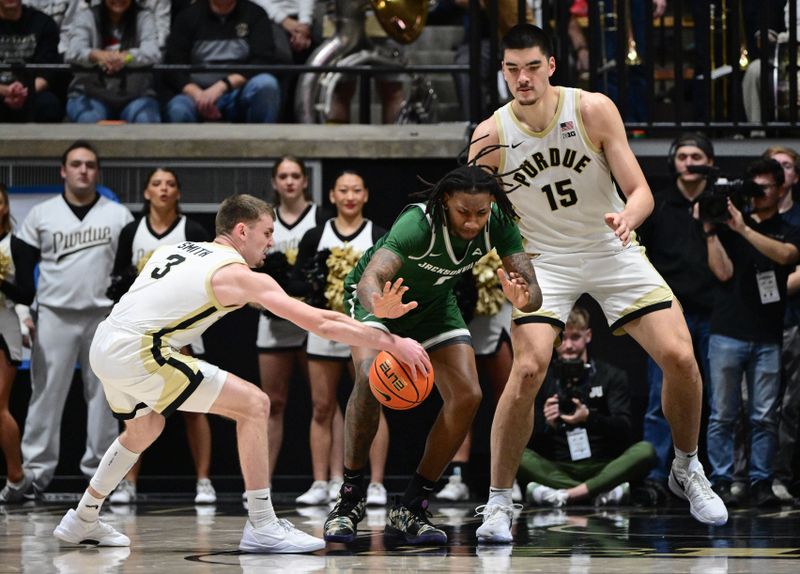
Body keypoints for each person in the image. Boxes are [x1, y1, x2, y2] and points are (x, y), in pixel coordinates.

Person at [51, 193, 430, 552]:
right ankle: (263, 525)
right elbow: (322, 323)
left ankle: (82, 517)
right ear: (242, 231)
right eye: (267, 233)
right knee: (254, 404)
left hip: (104, 343)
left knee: (144, 428)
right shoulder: (237, 275)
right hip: (138, 350)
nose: (271, 243)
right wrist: (391, 342)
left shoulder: (174, 249)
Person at [468, 24, 728, 543]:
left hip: (611, 246)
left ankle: (687, 467)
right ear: (503, 71)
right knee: (527, 369)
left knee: (680, 357)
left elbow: (640, 191)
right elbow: (476, 214)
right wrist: (509, 264)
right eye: (512, 68)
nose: (523, 78)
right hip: (544, 259)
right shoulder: (490, 135)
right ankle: (498, 502)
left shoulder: (591, 109)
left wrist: (628, 217)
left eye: (532, 67)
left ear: (551, 66)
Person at [323, 165, 541, 545]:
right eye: (463, 213)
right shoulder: (418, 223)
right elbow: (373, 276)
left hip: (436, 306)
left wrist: (528, 297)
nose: (473, 223)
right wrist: (380, 305)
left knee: (468, 396)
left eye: (481, 213)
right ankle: (350, 499)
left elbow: (531, 285)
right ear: (445, 202)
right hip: (383, 301)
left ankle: (413, 504)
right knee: (371, 376)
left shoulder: (498, 221)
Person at [12, 140, 133, 499]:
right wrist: (23, 310)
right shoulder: (41, 214)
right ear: (63, 171)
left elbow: (128, 272)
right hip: (54, 314)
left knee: (104, 398)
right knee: (45, 395)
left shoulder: (118, 215)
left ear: (97, 172)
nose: (83, 170)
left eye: (90, 165)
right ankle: (35, 473)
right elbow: (21, 270)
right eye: (76, 164)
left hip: (102, 317)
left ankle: (102, 476)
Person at [104, 167, 217, 505]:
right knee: (135, 409)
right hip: (138, 335)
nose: (164, 189)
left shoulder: (192, 230)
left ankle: (204, 482)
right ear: (146, 192)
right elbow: (116, 286)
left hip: (183, 331)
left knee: (196, 407)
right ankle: (127, 483)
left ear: (178, 193)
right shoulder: (131, 232)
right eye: (157, 183)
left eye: (170, 184)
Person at [702, 158, 800, 508]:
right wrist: (712, 231)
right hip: (728, 330)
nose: (758, 195)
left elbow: (788, 255)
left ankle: (761, 480)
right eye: (753, 188)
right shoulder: (727, 225)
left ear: (781, 188)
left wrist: (744, 229)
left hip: (767, 333)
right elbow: (723, 273)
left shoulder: (786, 226)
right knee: (723, 414)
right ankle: (722, 480)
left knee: (764, 414)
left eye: (765, 188)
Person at [294, 171, 389, 507]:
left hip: (365, 329)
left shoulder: (379, 235)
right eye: (343, 190)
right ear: (332, 195)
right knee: (321, 407)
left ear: (365, 195)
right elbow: (298, 283)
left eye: (356, 190)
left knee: (371, 401)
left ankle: (376, 483)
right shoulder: (315, 235)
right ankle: (321, 481)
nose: (350, 196)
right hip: (324, 327)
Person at [636, 133, 718, 503]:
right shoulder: (660, 203)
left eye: (696, 155)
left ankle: (704, 474)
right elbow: (638, 252)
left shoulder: (718, 203)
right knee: (658, 396)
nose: (688, 162)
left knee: (710, 397)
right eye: (682, 155)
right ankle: (654, 475)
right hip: (666, 312)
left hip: (714, 312)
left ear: (710, 162)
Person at [520, 306, 657, 507]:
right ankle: (599, 492)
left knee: (646, 451)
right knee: (514, 454)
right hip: (560, 466)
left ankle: (566, 495)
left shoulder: (611, 376)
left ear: (588, 335)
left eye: (575, 337)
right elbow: (529, 437)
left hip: (603, 465)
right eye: (563, 338)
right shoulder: (542, 379)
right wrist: (547, 423)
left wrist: (589, 418)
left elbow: (625, 428)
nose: (568, 345)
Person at [256, 156, 327, 484]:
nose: (289, 182)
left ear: (304, 181)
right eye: (282, 176)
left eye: (295, 175)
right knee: (274, 402)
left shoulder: (321, 219)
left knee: (323, 403)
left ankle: (327, 480)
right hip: (273, 321)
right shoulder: (261, 219)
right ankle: (262, 484)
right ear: (274, 182)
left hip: (311, 318)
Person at [163, 0, 285, 124]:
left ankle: (262, 142)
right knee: (178, 109)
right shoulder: (188, 16)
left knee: (266, 84)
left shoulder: (255, 14)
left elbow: (262, 60)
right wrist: (199, 95)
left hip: (237, 92)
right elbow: (174, 66)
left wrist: (222, 87)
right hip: (197, 94)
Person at [764, 145, 800, 502]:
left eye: (787, 166)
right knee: (750, 408)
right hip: (752, 324)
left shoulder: (797, 219)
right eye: (773, 166)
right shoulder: (748, 215)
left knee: (789, 406)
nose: (780, 172)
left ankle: (780, 475)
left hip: (791, 321)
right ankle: (749, 477)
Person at [64, 0, 161, 124]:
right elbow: (73, 51)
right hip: (90, 95)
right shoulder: (85, 16)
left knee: (146, 120)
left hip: (136, 97)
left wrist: (126, 57)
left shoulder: (144, 17)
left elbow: (153, 52)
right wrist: (97, 55)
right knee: (88, 119)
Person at [0, 184, 31, 503]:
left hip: (4, 327)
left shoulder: (17, 246)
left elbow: (27, 293)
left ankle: (16, 475)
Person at [0, 0, 63, 122]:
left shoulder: (43, 23)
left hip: (32, 91)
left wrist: (22, 93)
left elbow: (46, 73)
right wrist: (5, 91)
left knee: (49, 105)